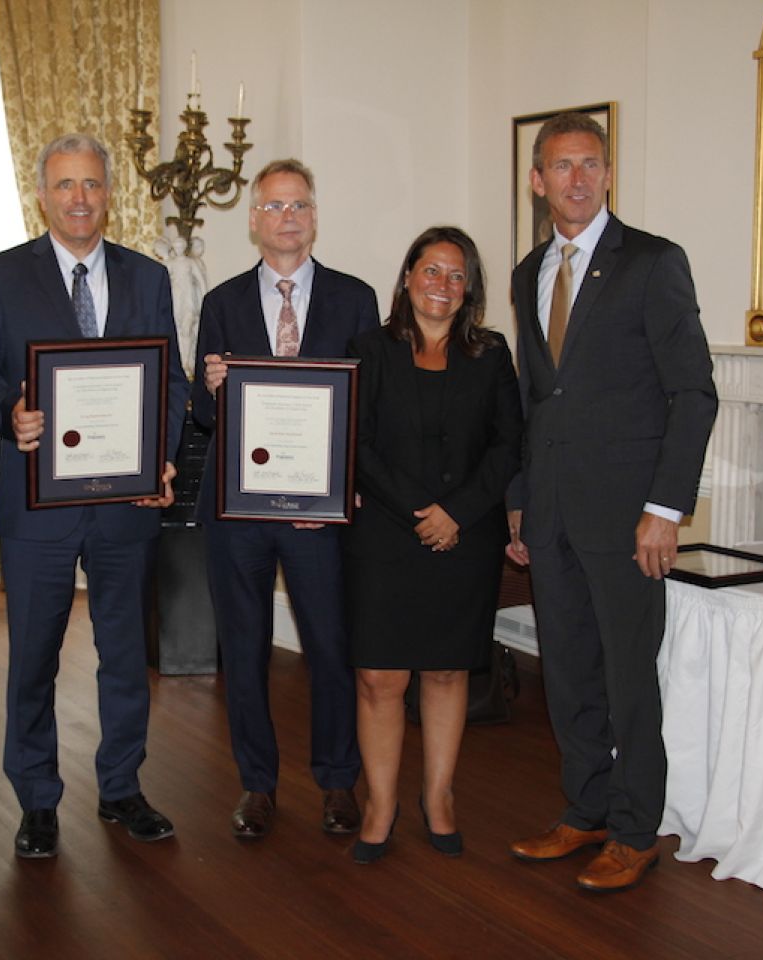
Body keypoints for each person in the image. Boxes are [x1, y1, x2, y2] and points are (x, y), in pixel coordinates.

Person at [505, 112, 717, 891]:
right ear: (539, 180)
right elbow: (534, 398)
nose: (578, 179)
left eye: (590, 163)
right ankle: (585, 809)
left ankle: (634, 830)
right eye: (562, 166)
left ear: (607, 174)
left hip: (630, 520)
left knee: (630, 679)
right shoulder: (529, 272)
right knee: (568, 673)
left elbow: (693, 393)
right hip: (552, 512)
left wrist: (664, 509)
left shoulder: (653, 262)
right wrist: (521, 499)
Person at [0, 132, 190, 859]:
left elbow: (172, 382)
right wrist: (10, 413)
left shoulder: (147, 278)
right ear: (42, 195)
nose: (80, 198)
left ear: (109, 193)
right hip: (38, 506)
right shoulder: (1, 275)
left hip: (126, 505)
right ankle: (36, 799)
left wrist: (160, 459)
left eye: (92, 183)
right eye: (65, 184)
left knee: (125, 656)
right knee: (33, 658)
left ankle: (122, 787)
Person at [194, 159, 377, 840]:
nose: (287, 217)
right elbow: (202, 415)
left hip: (317, 514)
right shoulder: (221, 303)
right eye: (274, 206)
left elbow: (367, 407)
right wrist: (211, 389)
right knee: (244, 650)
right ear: (254, 220)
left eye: (298, 205)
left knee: (329, 645)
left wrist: (341, 487)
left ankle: (337, 781)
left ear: (314, 217)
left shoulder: (355, 299)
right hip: (237, 512)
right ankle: (257, 785)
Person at [344, 226, 522, 864]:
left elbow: (508, 444)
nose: (442, 284)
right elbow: (356, 443)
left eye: (456, 274)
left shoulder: (491, 354)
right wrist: (419, 512)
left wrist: (457, 513)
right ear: (407, 277)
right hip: (384, 536)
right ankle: (380, 804)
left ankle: (439, 796)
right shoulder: (368, 349)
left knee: (447, 671)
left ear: (468, 288)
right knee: (379, 677)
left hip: (464, 537)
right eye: (431, 270)